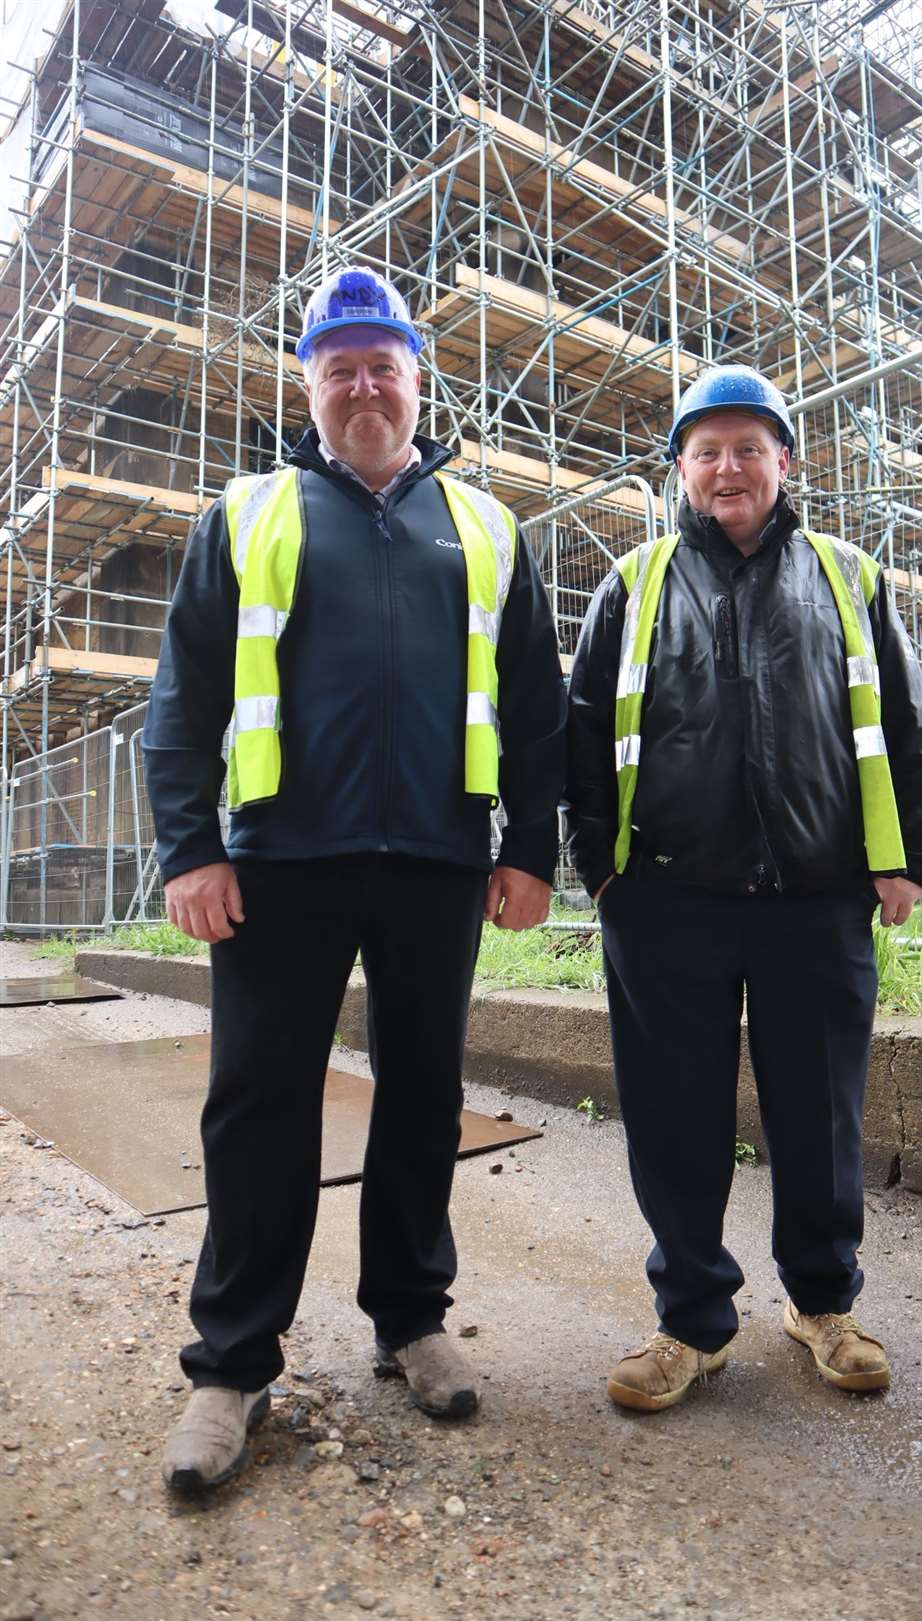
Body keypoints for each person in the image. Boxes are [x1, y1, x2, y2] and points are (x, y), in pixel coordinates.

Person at [146, 265, 566, 1489]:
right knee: (258, 1103)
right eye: (341, 368)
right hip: (279, 861)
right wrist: (190, 846)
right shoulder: (249, 513)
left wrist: (530, 848)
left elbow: (537, 710)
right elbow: (184, 699)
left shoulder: (487, 527)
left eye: (385, 365)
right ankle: (231, 1362)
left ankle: (410, 1319)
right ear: (311, 386)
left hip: (438, 858)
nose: (364, 386)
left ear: (419, 384)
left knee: (425, 1092)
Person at [566, 365, 922, 1413]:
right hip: (667, 899)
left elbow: (908, 723)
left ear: (785, 460)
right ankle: (691, 1320)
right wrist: (602, 870)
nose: (727, 467)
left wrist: (912, 847)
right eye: (707, 449)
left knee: (821, 1112)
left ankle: (822, 1303)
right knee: (674, 1116)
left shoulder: (846, 576)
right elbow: (585, 734)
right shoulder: (632, 584)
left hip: (814, 893)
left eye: (748, 447)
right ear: (680, 469)